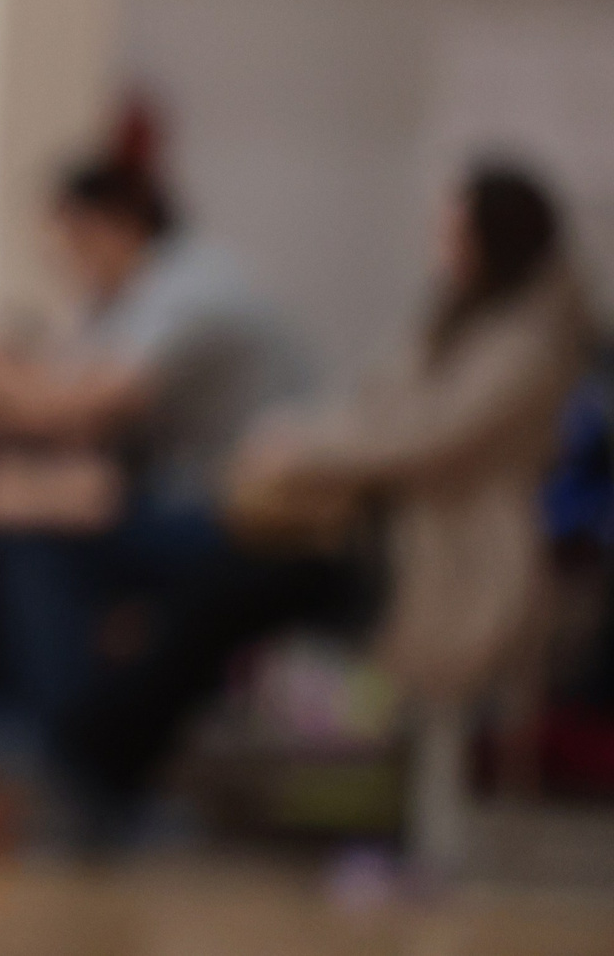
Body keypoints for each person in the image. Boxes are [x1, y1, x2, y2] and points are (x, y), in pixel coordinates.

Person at [224, 160, 595, 865]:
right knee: (224, 568)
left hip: (467, 552)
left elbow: (423, 439)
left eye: (450, 227)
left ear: (493, 238)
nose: (437, 241)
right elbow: (374, 406)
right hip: (393, 527)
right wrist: (294, 437)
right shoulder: (452, 317)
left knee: (239, 586)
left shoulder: (530, 345)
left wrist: (302, 452)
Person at [0, 136, 313, 760]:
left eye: (69, 243)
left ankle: (69, 759)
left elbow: (66, 411)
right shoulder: (125, 304)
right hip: (191, 500)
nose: (63, 263)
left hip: (256, 516)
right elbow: (55, 403)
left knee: (36, 533)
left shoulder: (192, 289)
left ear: (112, 226)